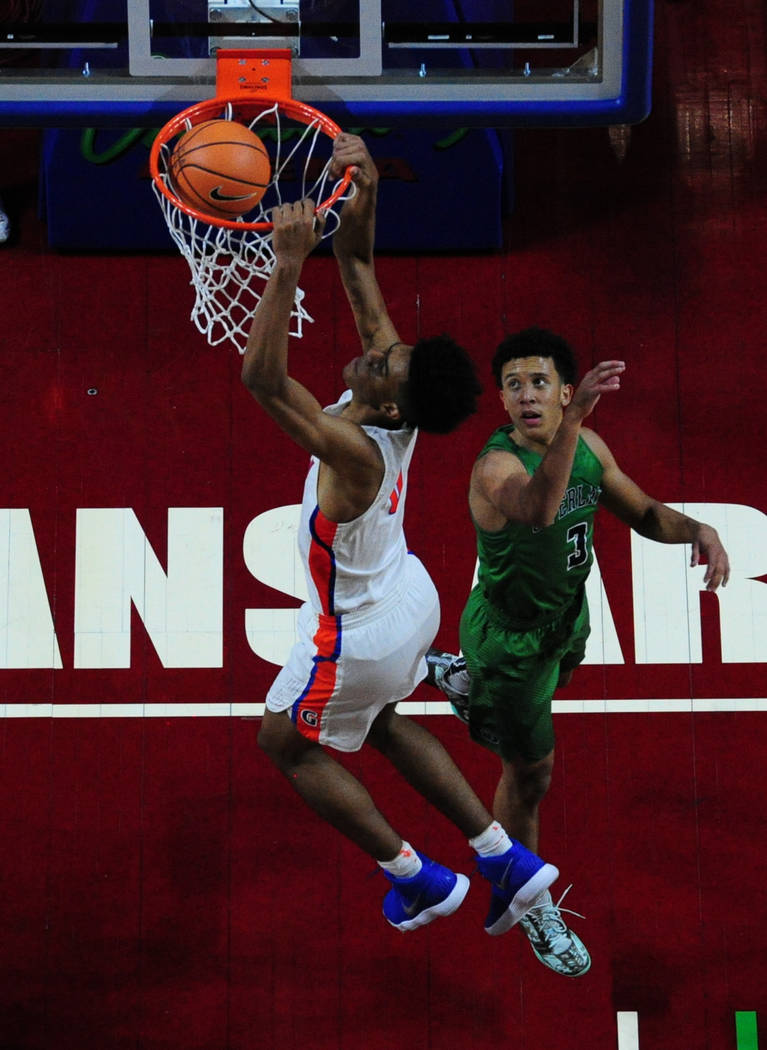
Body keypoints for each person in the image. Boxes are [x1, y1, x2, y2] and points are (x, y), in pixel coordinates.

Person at [240, 135, 563, 935]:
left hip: (351, 630)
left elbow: (262, 382)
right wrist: (366, 182)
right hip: (406, 598)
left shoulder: (353, 449)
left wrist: (284, 264)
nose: (373, 354)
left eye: (383, 366)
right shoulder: (398, 398)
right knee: (378, 720)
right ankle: (501, 856)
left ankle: (414, 878)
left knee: (285, 743)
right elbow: (356, 269)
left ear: (388, 408)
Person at [427, 326, 730, 975]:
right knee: (528, 776)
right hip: (509, 643)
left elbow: (644, 511)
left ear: (563, 390)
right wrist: (577, 421)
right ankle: (525, 900)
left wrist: (696, 530)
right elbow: (538, 511)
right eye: (513, 385)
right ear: (503, 401)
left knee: (538, 707)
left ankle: (464, 690)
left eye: (538, 382)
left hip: (564, 621)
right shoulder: (497, 466)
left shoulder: (587, 446)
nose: (525, 396)